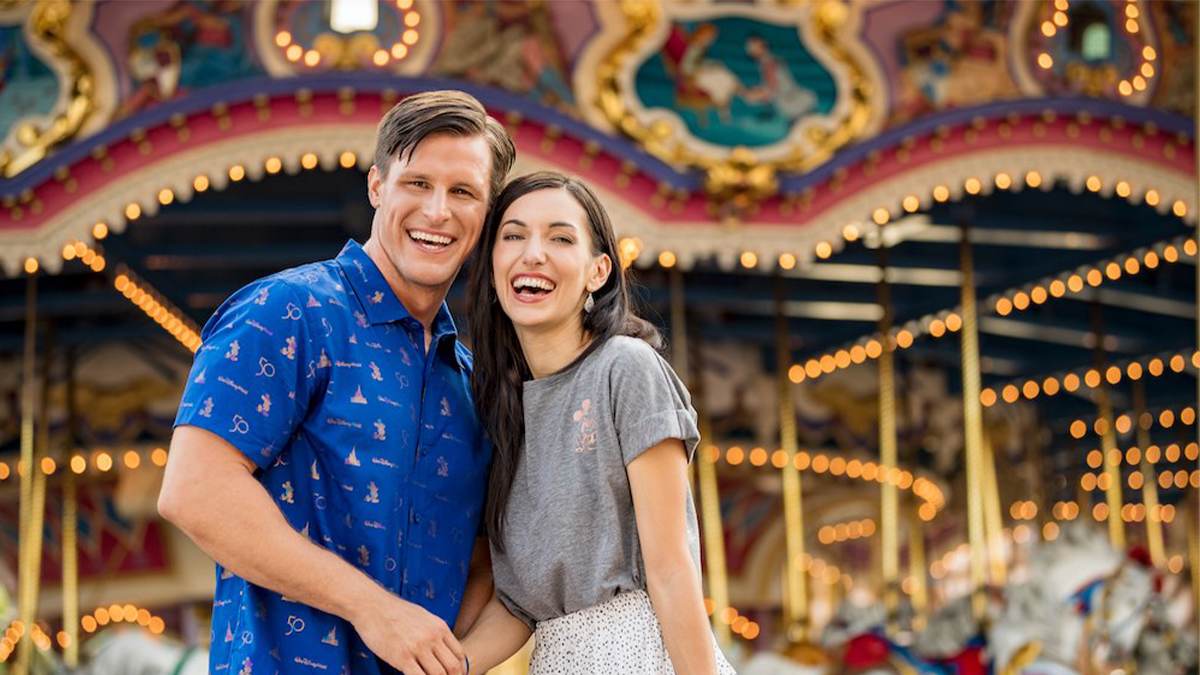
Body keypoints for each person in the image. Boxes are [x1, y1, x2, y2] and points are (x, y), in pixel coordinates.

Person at [157, 90, 515, 675]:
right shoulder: (287, 310)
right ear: (377, 186)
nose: (438, 211)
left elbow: (481, 563)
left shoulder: (472, 386)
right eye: (417, 183)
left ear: (487, 212)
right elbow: (195, 490)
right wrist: (373, 610)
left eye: (464, 192)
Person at [461, 172, 737, 674]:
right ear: (494, 263)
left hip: (639, 651)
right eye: (514, 236)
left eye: (561, 238)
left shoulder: (625, 368)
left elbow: (672, 569)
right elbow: (522, 604)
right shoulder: (503, 410)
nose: (533, 253)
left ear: (598, 271)